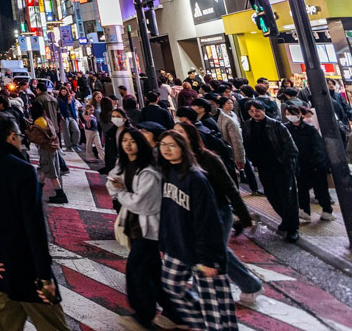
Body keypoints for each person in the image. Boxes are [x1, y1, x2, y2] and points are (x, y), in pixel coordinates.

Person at [0, 113, 69, 331]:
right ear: (11, 136)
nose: (21, 139)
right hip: (29, 270)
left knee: (4, 326)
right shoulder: (24, 171)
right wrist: (45, 276)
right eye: (19, 135)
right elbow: (34, 226)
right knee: (53, 326)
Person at [157, 128, 238, 330]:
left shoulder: (196, 179)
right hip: (176, 246)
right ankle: (198, 322)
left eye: (172, 145)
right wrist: (165, 240)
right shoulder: (168, 172)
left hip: (201, 251)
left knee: (216, 307)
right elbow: (167, 211)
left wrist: (208, 258)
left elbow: (208, 221)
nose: (167, 149)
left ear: (183, 148)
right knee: (171, 284)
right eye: (163, 145)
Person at [174, 121, 262, 307]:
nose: (177, 136)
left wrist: (244, 217)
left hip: (218, 212)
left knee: (211, 252)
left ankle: (198, 296)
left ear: (191, 136)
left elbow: (230, 188)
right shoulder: (177, 160)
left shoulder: (209, 159)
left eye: (181, 132)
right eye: (174, 132)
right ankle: (250, 285)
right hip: (195, 215)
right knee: (216, 252)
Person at [105, 127, 163, 330]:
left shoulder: (149, 171)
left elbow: (143, 204)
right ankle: (175, 311)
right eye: (124, 141)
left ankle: (143, 316)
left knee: (136, 270)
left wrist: (121, 192)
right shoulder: (124, 164)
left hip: (148, 229)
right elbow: (111, 182)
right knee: (154, 272)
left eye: (132, 141)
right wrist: (120, 190)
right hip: (134, 225)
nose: (128, 145)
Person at [243, 99, 300, 242]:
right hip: (263, 167)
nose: (255, 114)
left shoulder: (276, 125)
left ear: (263, 110)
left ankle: (293, 228)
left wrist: (285, 163)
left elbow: (291, 148)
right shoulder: (247, 125)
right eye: (251, 111)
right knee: (272, 195)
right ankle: (286, 220)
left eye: (257, 110)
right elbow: (247, 144)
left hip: (281, 167)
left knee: (288, 198)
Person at [284, 104, 334, 222]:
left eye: (293, 113)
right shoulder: (285, 129)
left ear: (300, 114)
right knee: (301, 189)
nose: (290, 116)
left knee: (321, 189)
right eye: (288, 114)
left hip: (314, 165)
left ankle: (327, 210)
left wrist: (317, 163)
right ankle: (305, 211)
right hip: (298, 165)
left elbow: (319, 147)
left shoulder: (310, 129)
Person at [28, 103, 67, 204]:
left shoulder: (38, 121)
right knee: (44, 170)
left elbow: (35, 137)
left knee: (51, 173)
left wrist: (28, 131)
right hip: (52, 148)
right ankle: (37, 191)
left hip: (47, 149)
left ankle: (60, 194)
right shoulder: (46, 119)